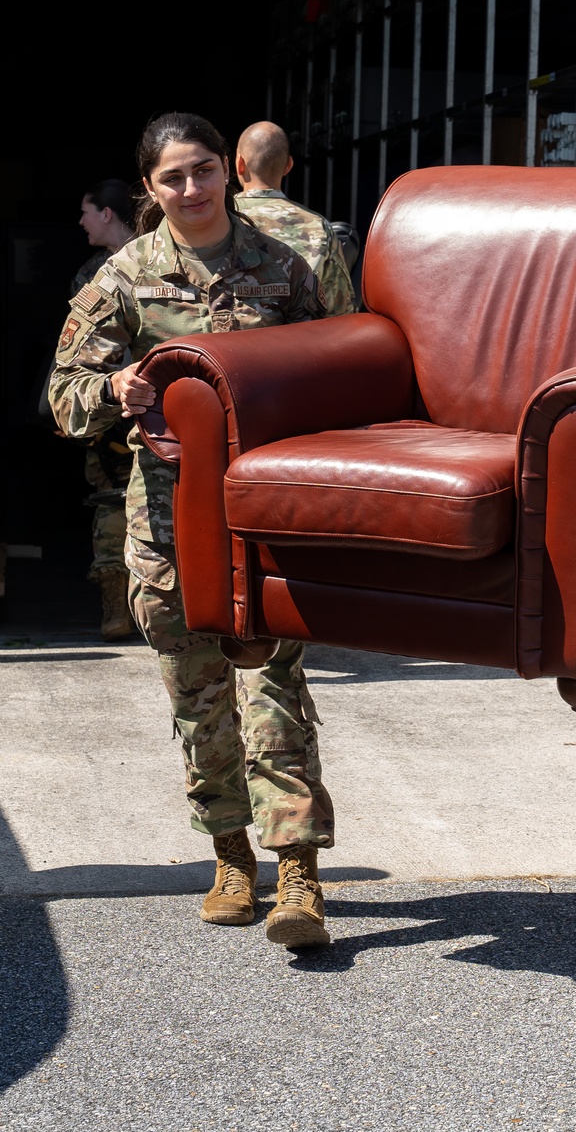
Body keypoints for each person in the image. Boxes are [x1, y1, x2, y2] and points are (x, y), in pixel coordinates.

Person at [49, 112, 357, 950]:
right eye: (173, 178)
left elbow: (347, 360)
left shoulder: (285, 264)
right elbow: (62, 395)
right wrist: (114, 389)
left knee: (276, 693)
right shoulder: (125, 276)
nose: (192, 189)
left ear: (229, 171)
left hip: (264, 518)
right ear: (149, 190)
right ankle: (230, 857)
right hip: (169, 524)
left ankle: (297, 869)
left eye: (204, 170)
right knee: (199, 700)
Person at [71, 179, 136, 641]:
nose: (81, 222)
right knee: (115, 503)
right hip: (114, 410)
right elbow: (74, 354)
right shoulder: (93, 273)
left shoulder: (161, 262)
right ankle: (118, 607)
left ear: (108, 213)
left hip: (150, 410)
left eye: (87, 211)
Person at [233, 120, 358, 310]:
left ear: (239, 164)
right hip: (299, 337)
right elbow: (339, 311)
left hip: (229, 336)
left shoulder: (218, 219)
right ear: (288, 166)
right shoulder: (319, 227)